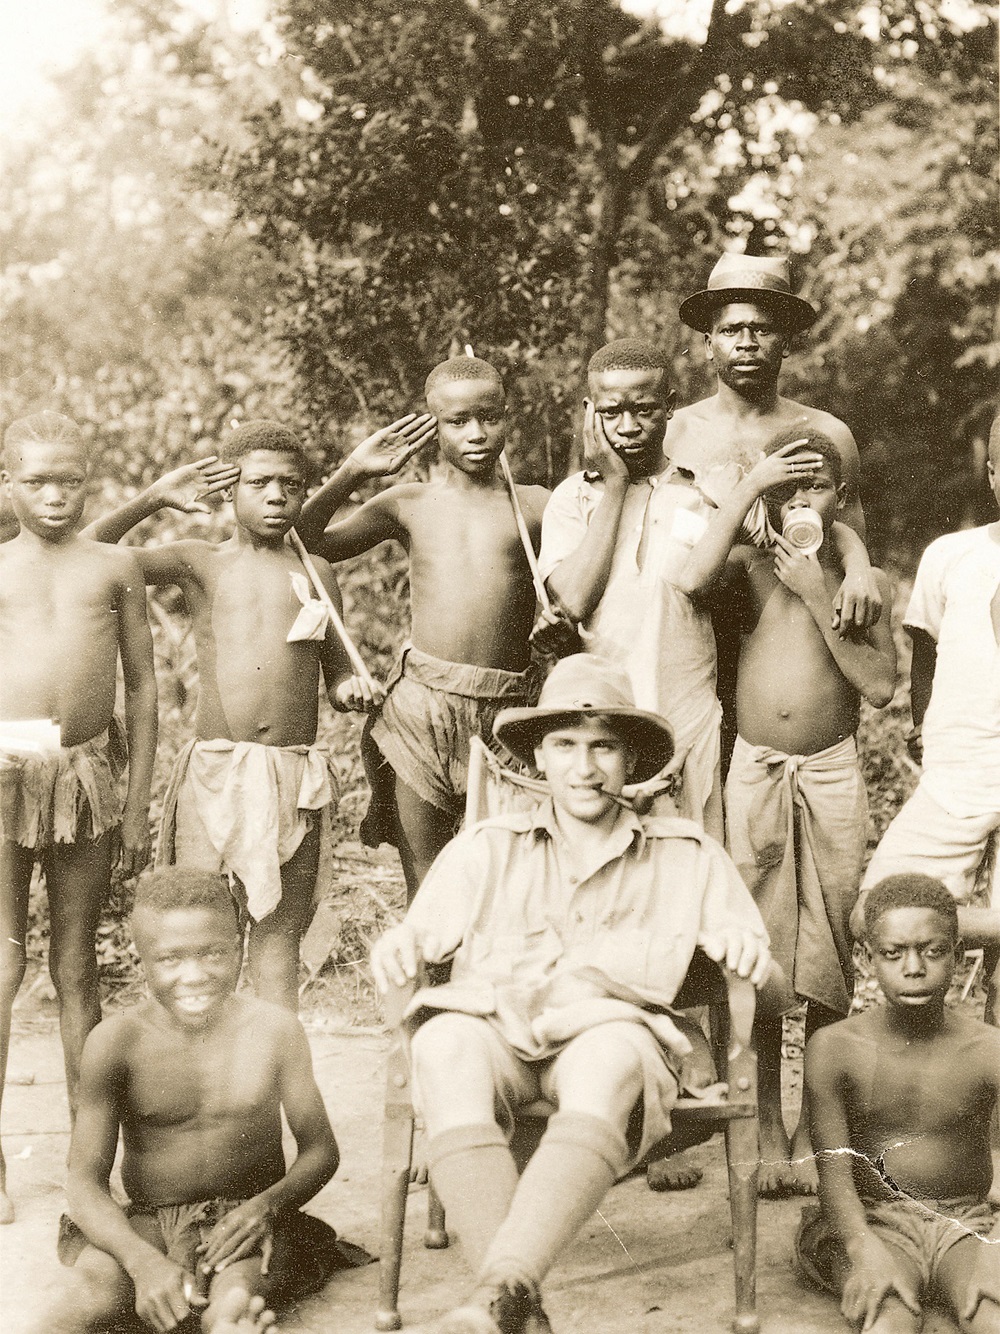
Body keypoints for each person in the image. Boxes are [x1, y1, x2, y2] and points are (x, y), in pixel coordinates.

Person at [370, 654, 772, 1334]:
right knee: (442, 1044)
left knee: (609, 1052)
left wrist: (750, 954)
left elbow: (774, 990)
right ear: (537, 756)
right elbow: (416, 939)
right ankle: (512, 1303)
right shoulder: (486, 848)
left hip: (610, 1040)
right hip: (497, 1032)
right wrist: (398, 945)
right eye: (564, 745)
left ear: (631, 758)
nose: (584, 768)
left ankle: (498, 1299)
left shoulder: (686, 854)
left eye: (603, 747)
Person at [86, 420, 378, 1010]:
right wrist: (152, 499)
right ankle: (204, 1065)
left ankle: (272, 1066)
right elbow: (87, 553)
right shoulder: (200, 562)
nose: (276, 497)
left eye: (290, 485)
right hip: (215, 774)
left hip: (292, 776)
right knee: (206, 937)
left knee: (278, 943)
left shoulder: (316, 572)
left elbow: (338, 671)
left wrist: (352, 687)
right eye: (259, 483)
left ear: (305, 491)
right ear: (229, 490)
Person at [676, 428, 896, 1197]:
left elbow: (879, 687)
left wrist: (830, 581)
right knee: (760, 948)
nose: (803, 502)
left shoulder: (862, 585)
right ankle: (768, 1120)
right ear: (766, 495)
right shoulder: (746, 568)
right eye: (787, 488)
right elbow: (690, 578)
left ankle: (815, 1129)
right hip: (757, 771)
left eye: (819, 488)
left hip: (831, 772)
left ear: (843, 498)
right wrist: (749, 497)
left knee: (831, 947)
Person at [33, 867, 367, 1334]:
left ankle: (232, 1320)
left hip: (245, 1223)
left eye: (213, 954)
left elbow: (321, 1151)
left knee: (234, 1296)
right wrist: (141, 1262)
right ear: (142, 958)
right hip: (148, 1224)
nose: (194, 976)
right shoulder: (116, 1042)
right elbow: (84, 1182)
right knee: (83, 1302)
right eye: (170, 959)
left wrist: (267, 1207)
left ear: (238, 947)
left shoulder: (274, 1030)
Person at [296, 356, 549, 899]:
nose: (476, 433)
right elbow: (307, 542)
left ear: (508, 416)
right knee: (427, 886)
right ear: (434, 426)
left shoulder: (535, 506)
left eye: (490, 417)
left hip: (508, 710)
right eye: (458, 421)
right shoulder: (409, 504)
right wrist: (352, 472)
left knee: (507, 880)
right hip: (420, 709)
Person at [0, 411, 157, 1225]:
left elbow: (145, 686)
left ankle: (84, 1162)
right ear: (8, 484)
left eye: (70, 480)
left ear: (89, 481)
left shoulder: (115, 565)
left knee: (77, 967)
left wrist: (137, 803)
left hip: (89, 772)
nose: (55, 496)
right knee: (2, 964)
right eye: (37, 482)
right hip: (5, 767)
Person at [532, 339, 725, 838]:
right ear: (589, 412)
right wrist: (615, 484)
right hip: (601, 726)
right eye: (611, 412)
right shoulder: (572, 500)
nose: (627, 426)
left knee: (685, 855)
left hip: (686, 719)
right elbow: (572, 600)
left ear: (670, 406)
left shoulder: (704, 494)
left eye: (644, 409)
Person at [798, 873, 1000, 1334]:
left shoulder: (990, 1050)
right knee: (889, 1318)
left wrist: (996, 1250)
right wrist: (863, 1248)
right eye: (893, 953)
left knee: (991, 1316)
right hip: (868, 1220)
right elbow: (834, 1179)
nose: (914, 967)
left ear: (958, 954)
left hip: (964, 1220)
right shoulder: (835, 1048)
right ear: (867, 957)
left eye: (933, 951)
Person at [857, 414, 1000, 1016]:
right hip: (958, 776)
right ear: (991, 474)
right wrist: (923, 728)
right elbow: (926, 653)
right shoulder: (953, 555)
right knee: (879, 909)